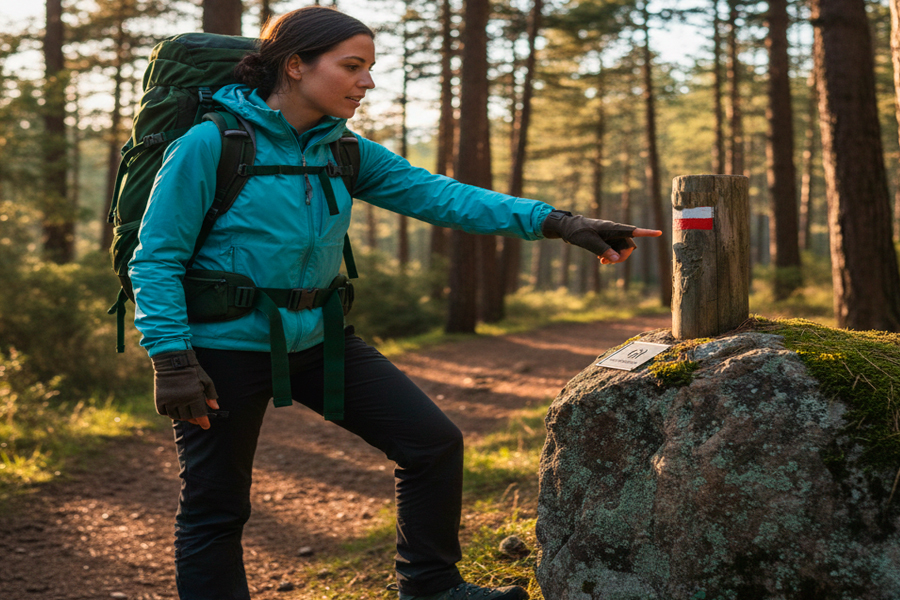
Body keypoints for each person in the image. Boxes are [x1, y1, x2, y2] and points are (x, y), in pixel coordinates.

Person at [129, 6, 662, 600]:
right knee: (216, 507)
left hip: (318, 337)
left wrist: (558, 223)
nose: (368, 82)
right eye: (353, 66)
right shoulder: (210, 144)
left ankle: (431, 588)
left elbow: (444, 197)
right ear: (297, 66)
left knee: (431, 443)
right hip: (222, 346)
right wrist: (171, 359)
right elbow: (156, 258)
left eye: (371, 67)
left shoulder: (344, 152)